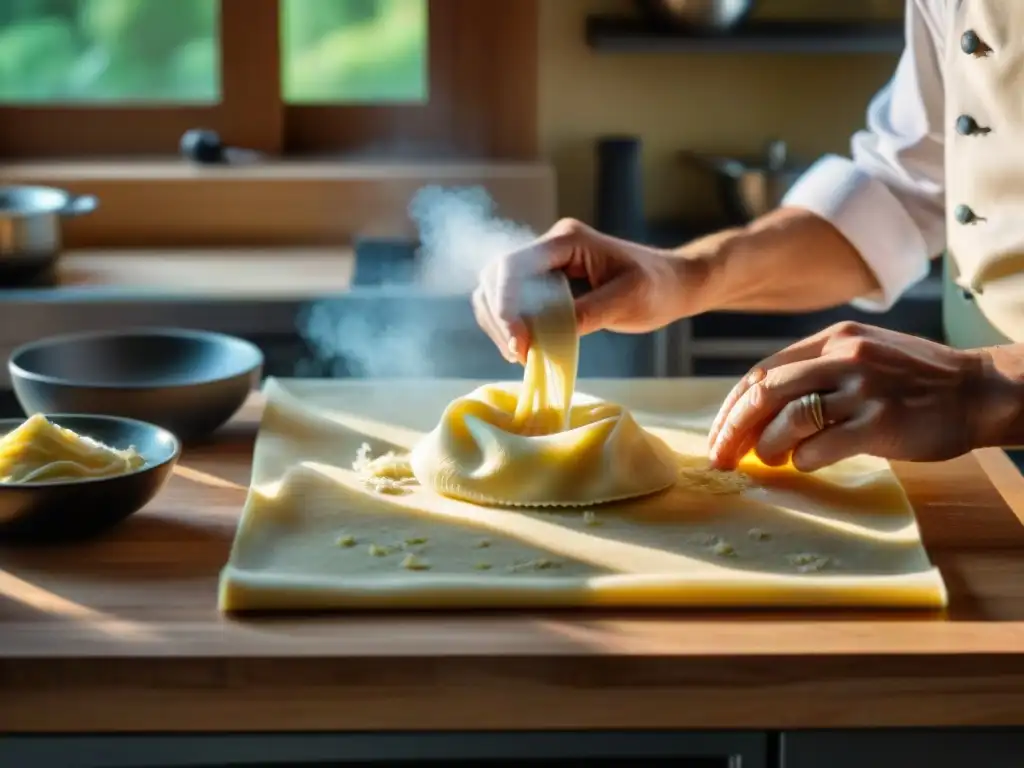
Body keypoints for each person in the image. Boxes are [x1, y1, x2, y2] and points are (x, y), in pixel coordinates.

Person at [471, 0, 1024, 473]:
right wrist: (684, 275)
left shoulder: (976, 394)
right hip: (987, 458)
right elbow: (907, 188)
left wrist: (986, 386)